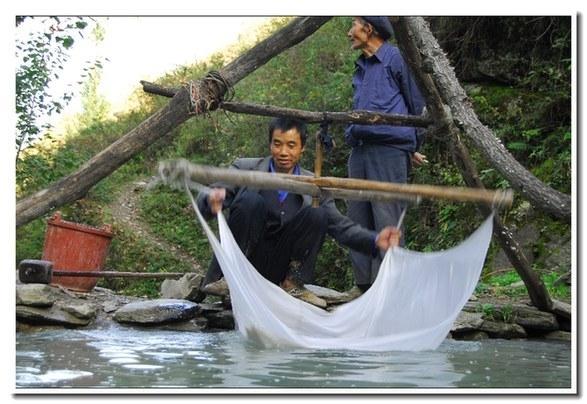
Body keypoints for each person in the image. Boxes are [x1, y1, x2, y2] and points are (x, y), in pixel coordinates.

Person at [197, 117, 400, 308]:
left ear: (302, 148)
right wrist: (211, 199)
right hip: (245, 262)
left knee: (317, 213)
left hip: (278, 269)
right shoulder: (245, 169)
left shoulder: (313, 185)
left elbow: (340, 227)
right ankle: (231, 277)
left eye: (291, 145)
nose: (283, 152)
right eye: (277, 144)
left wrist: (374, 240)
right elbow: (211, 195)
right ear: (270, 145)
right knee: (250, 201)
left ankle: (292, 284)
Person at [345, 16, 427, 295]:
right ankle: (363, 287)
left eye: (353, 25)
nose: (349, 32)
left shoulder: (396, 58)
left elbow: (416, 103)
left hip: (389, 149)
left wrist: (413, 144)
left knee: (387, 218)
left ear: (369, 29)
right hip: (359, 149)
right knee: (358, 220)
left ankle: (390, 289)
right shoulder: (361, 66)